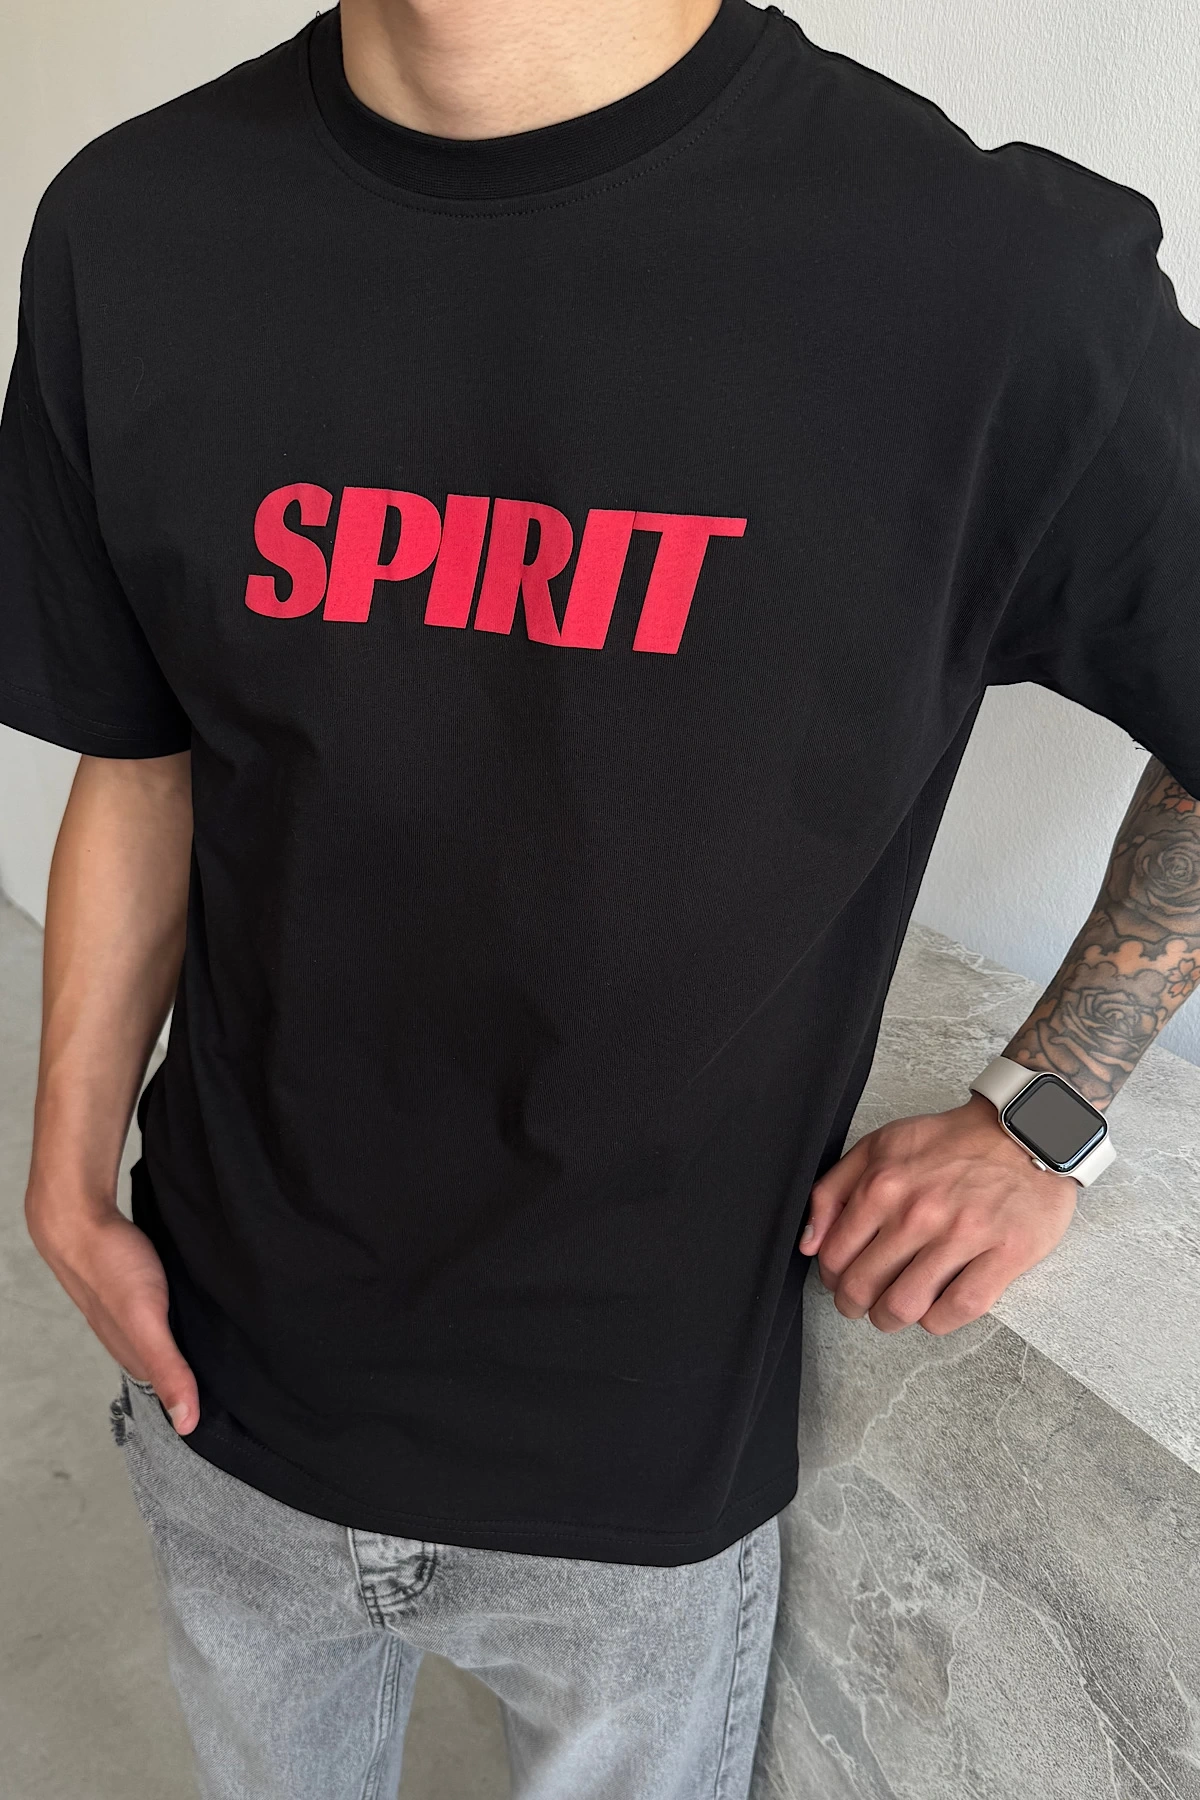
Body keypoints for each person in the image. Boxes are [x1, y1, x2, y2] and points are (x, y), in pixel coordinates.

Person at [3, 0, 1199, 1794]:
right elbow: (146, 755)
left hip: (636, 1467)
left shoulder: (981, 281)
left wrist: (1052, 1108)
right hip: (220, 1371)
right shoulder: (134, 224)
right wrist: (64, 1172)